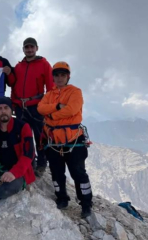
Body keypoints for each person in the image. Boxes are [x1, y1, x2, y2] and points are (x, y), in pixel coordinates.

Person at [37, 61, 93, 218]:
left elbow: (72, 109)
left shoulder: (75, 92)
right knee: (56, 172)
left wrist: (52, 115)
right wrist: (57, 107)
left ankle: (86, 203)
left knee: (78, 172)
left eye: (63, 75)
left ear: (68, 77)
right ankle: (62, 198)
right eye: (57, 75)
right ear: (53, 77)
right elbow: (41, 108)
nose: (59, 78)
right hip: (54, 141)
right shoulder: (49, 94)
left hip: (73, 140)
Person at [10, 37, 54, 175]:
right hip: (20, 106)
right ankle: (29, 161)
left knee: (39, 136)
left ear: (36, 48)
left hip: (37, 106)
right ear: (23, 49)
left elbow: (51, 87)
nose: (29, 50)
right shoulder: (18, 66)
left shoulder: (44, 64)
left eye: (31, 47)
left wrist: (47, 106)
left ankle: (41, 163)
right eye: (27, 47)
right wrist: (13, 103)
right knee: (23, 136)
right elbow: (14, 86)